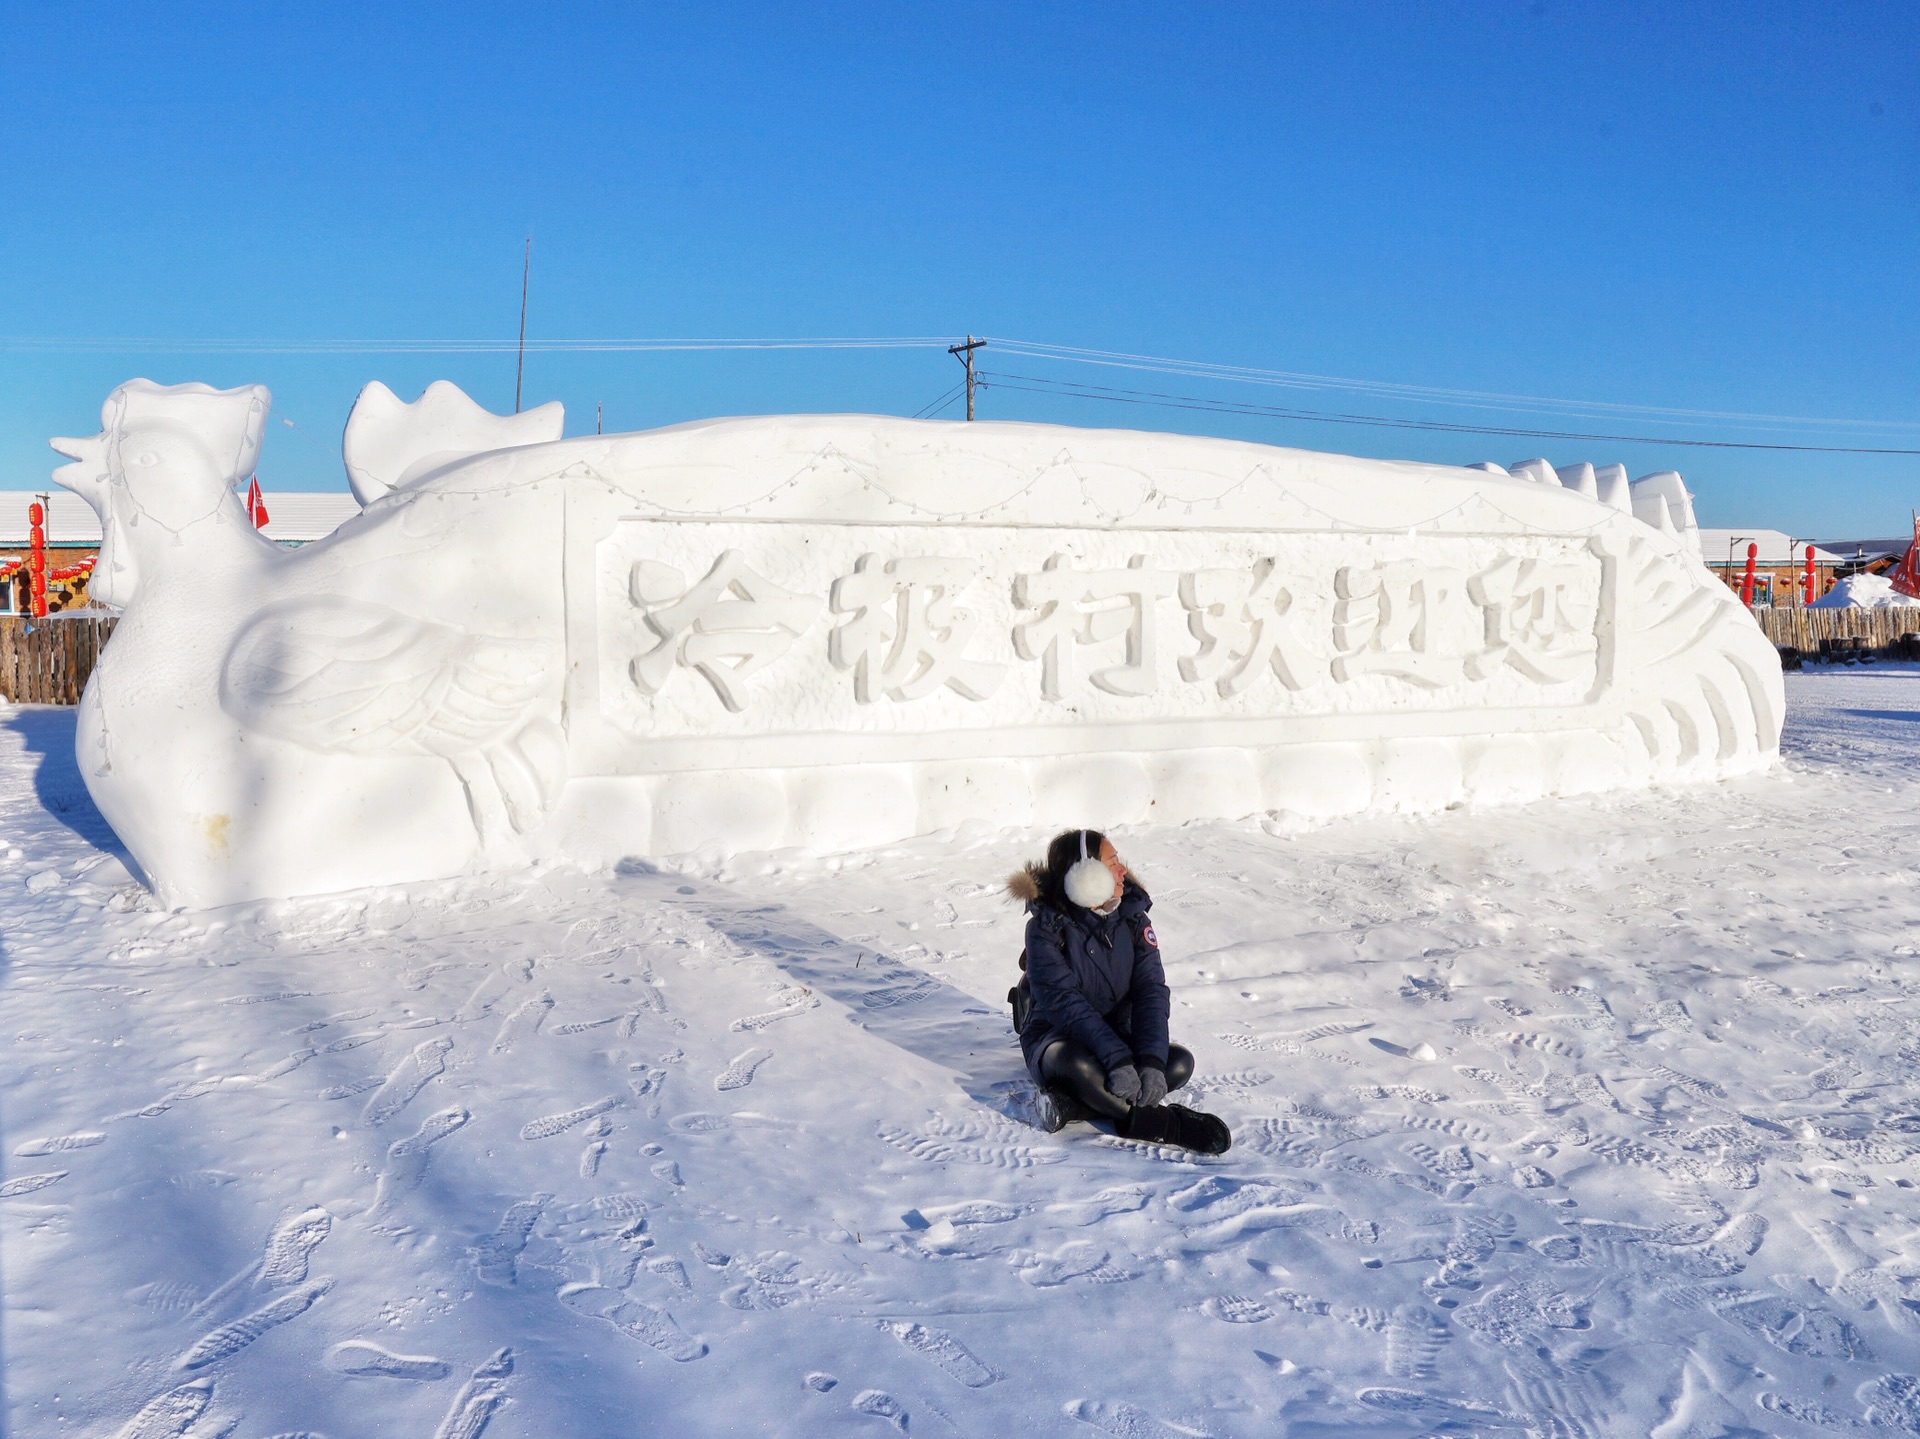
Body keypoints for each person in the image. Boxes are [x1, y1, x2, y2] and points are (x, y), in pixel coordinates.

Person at [1008, 829, 1231, 1154]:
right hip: (1057, 1038)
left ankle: (1074, 1106)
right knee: (1077, 1066)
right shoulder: (1045, 928)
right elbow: (1065, 1005)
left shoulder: (1133, 919)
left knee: (1178, 1062)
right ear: (1086, 875)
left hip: (1118, 1036)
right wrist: (1118, 1059)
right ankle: (1168, 1125)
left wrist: (1150, 1061)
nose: (1123, 869)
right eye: (1112, 862)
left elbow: (1151, 991)